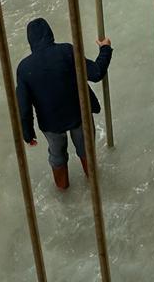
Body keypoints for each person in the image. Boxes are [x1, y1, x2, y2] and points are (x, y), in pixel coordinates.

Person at [16, 18, 113, 190]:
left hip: (51, 123)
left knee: (57, 157)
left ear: (30, 40)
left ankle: (63, 192)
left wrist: (28, 134)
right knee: (86, 150)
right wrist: (105, 48)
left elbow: (24, 107)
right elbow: (96, 73)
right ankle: (95, 187)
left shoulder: (24, 68)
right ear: (50, 34)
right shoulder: (66, 51)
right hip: (78, 114)